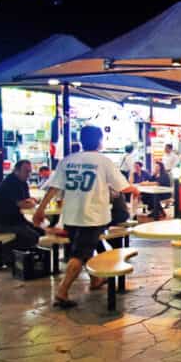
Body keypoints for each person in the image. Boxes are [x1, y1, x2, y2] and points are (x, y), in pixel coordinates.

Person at [34, 125, 138, 308]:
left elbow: (54, 187)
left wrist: (40, 209)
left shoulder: (68, 160)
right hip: (92, 216)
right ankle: (62, 290)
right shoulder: (103, 161)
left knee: (87, 246)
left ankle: (95, 280)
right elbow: (122, 186)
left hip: (71, 215)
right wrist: (135, 189)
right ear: (99, 141)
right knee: (80, 253)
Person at [0, 159, 43, 265]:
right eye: (26, 171)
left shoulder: (23, 183)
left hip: (13, 219)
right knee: (32, 235)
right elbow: (23, 204)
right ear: (16, 171)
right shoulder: (10, 183)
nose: (28, 174)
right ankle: (0, 254)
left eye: (30, 171)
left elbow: (27, 201)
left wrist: (31, 202)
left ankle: (13, 256)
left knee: (39, 231)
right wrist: (32, 203)